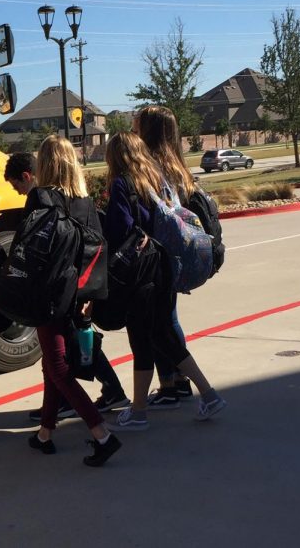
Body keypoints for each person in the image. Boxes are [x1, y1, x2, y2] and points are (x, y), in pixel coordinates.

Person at [103, 132, 226, 431]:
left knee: (142, 340)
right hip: (166, 267)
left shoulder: (122, 184)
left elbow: (120, 230)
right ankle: (207, 394)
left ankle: (139, 412)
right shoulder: (158, 181)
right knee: (163, 337)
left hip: (140, 273)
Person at [5, 152, 130, 423]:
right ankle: (98, 396)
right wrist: (91, 291)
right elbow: (97, 244)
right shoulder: (83, 199)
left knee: (60, 354)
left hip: (57, 286)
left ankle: (90, 418)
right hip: (81, 284)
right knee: (74, 343)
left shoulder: (44, 200)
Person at [25, 135, 121, 467]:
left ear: (44, 163)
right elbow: (97, 250)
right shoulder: (85, 202)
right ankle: (45, 434)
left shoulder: (40, 198)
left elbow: (30, 250)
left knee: (58, 367)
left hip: (49, 294)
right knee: (52, 366)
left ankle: (102, 435)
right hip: (78, 295)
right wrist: (90, 298)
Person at [135, 105, 198, 408]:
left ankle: (170, 385)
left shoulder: (151, 167)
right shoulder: (178, 166)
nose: (133, 128)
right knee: (168, 318)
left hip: (158, 255)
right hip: (178, 252)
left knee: (159, 322)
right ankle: (179, 382)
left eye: (137, 124)